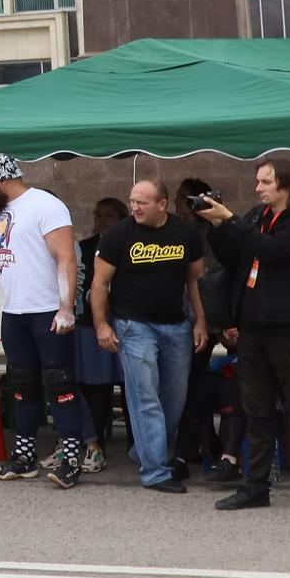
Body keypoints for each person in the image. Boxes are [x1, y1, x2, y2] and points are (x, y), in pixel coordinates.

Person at [197, 159, 290, 515]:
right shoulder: (259, 215)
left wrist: (231, 220)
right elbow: (234, 255)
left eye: (265, 182)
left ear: (285, 185)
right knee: (255, 410)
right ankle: (256, 486)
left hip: (288, 327)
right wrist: (217, 225)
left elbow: (272, 251)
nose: (257, 188)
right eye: (258, 181)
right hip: (253, 327)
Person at [0, 155, 85, 486]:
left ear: (1, 179)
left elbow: (65, 257)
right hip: (15, 312)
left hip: (47, 311)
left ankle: (71, 458)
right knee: (21, 386)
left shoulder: (45, 205)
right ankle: (24, 457)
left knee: (61, 384)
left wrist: (66, 307)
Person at [89, 180, 207, 495]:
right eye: (132, 201)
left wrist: (201, 322)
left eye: (142, 202)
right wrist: (102, 325)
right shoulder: (118, 235)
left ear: (162, 204)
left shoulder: (185, 233)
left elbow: (195, 282)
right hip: (133, 326)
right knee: (145, 398)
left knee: (174, 398)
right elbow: (99, 284)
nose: (135, 208)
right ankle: (155, 470)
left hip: (176, 325)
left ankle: (144, 448)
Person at [174, 176, 242, 482]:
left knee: (239, 379)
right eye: (181, 200)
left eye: (191, 200)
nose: (185, 206)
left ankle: (230, 453)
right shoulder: (176, 233)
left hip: (226, 314)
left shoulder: (220, 228)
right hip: (192, 316)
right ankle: (199, 447)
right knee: (193, 384)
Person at [74, 195, 130, 473]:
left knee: (132, 386)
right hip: (91, 323)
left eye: (109, 215)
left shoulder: (131, 245)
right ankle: (95, 445)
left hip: (125, 322)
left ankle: (138, 445)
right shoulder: (85, 248)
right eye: (99, 215)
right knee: (96, 386)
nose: (102, 220)